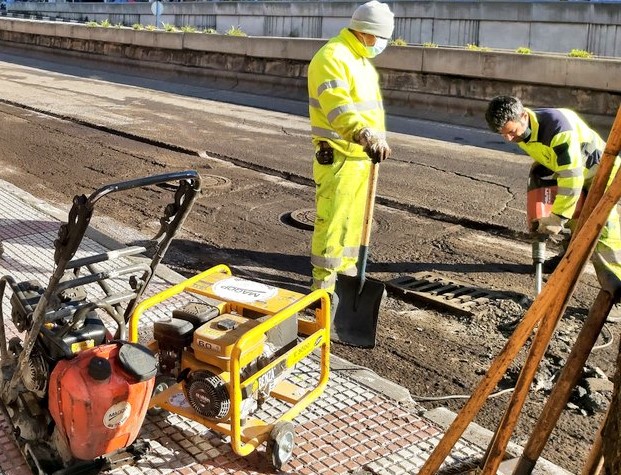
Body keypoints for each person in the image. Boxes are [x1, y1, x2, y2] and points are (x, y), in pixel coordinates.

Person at [485, 95, 621, 310]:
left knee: (601, 228)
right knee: (576, 220)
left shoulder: (557, 128)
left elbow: (572, 177)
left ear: (523, 115)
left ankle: (616, 284)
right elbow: (551, 159)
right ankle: (568, 257)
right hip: (574, 171)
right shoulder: (523, 132)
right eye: (504, 135)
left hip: (601, 172)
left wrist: (557, 217)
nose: (509, 139)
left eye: (511, 132)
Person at [307, 0, 394, 295]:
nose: (382, 44)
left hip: (361, 160)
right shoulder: (332, 57)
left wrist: (372, 141)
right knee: (333, 226)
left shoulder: (360, 61)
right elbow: (338, 107)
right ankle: (323, 290)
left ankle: (344, 284)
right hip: (340, 158)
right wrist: (365, 135)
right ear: (368, 33)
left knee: (351, 227)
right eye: (381, 37)